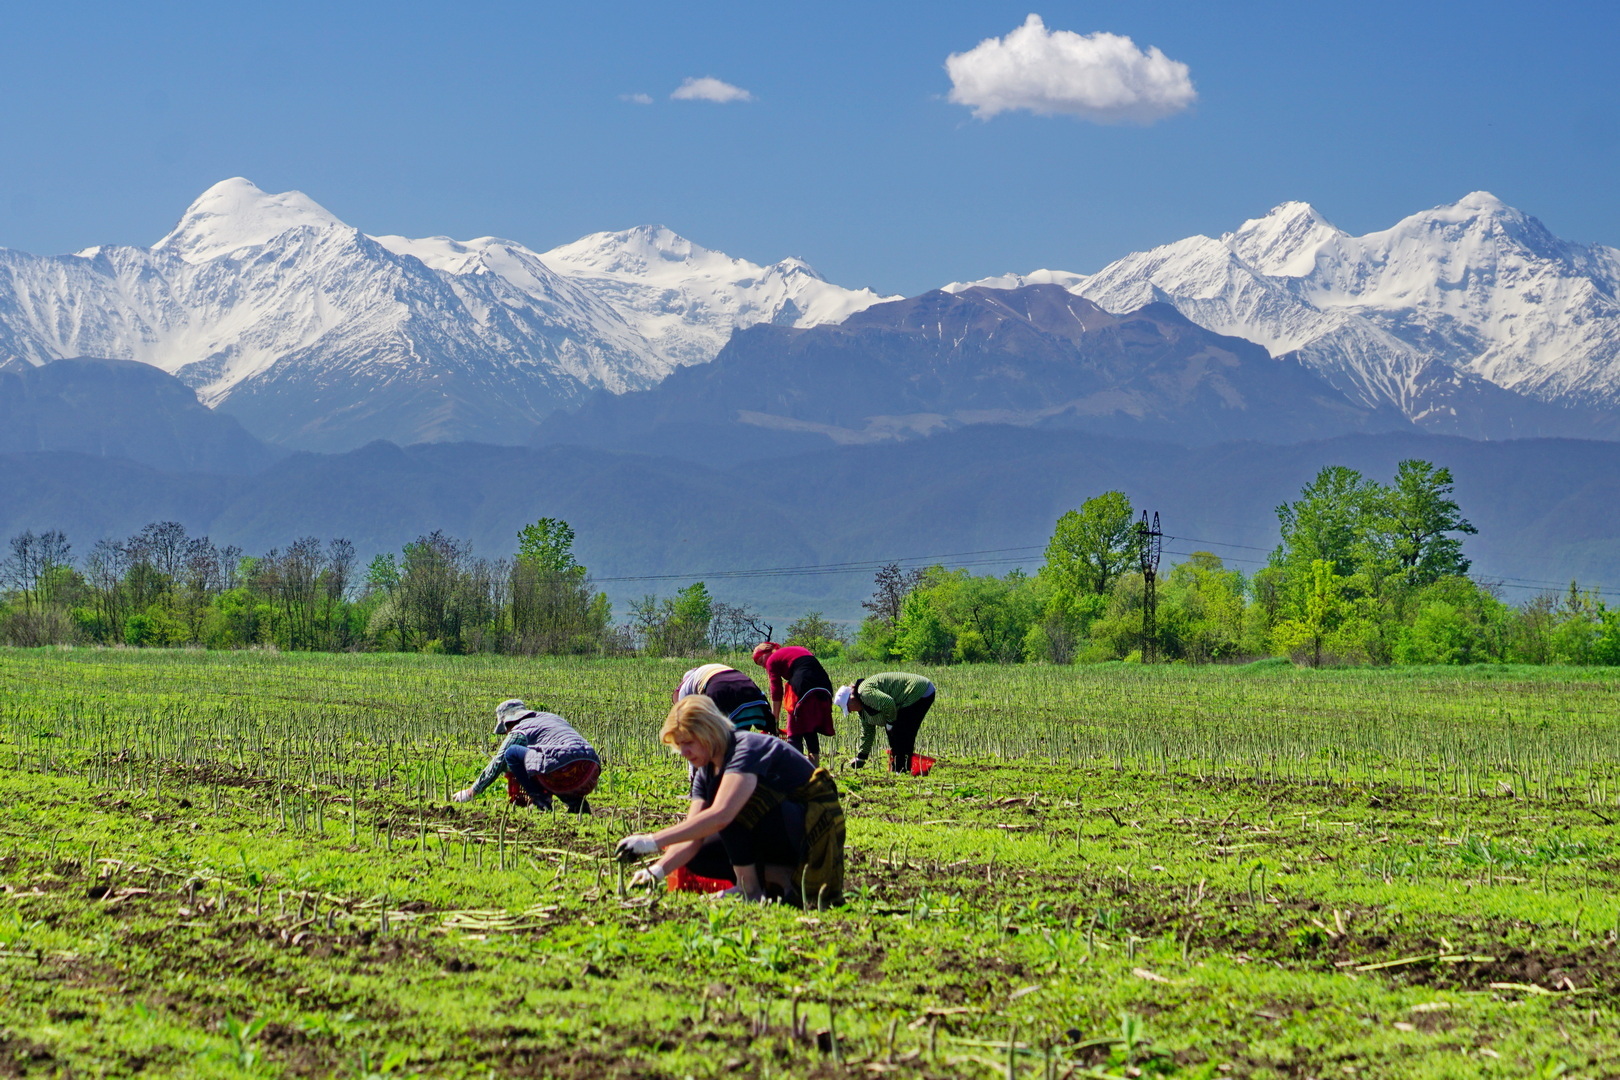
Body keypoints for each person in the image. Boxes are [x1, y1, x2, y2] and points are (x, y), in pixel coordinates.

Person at [615, 695, 845, 904]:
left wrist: (652, 841)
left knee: (728, 809)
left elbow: (722, 815)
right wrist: (657, 870)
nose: (683, 751)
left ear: (708, 732)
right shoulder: (706, 771)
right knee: (700, 852)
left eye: (688, 742)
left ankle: (755, 888)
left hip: (807, 830)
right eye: (679, 745)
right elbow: (691, 837)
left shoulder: (746, 748)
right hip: (777, 831)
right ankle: (773, 880)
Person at [450, 699, 600, 813]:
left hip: (562, 770)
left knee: (512, 753)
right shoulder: (551, 718)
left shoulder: (520, 729)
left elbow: (499, 762)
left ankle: (539, 799)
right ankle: (577, 805)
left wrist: (471, 792)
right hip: (590, 772)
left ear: (508, 723)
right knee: (547, 763)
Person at [751, 641, 836, 764]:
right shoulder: (794, 650)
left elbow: (776, 690)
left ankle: (797, 766)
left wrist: (774, 718)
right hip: (824, 684)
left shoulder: (772, 659)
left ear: (767, 653)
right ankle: (814, 765)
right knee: (809, 725)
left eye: (761, 661)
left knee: (794, 727)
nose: (764, 666)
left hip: (803, 684)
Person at [837, 672, 936, 774]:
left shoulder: (865, 692)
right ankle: (901, 768)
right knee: (896, 732)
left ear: (852, 699)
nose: (850, 711)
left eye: (848, 708)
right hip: (912, 694)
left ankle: (901, 769)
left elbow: (888, 702)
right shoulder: (863, 712)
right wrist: (861, 757)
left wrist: (890, 723)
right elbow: (868, 733)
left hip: (918, 689)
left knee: (901, 731)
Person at [673, 663, 775, 732]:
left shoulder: (686, 687)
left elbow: (687, 720)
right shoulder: (711, 669)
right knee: (740, 734)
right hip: (747, 687)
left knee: (717, 734)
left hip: (719, 690)